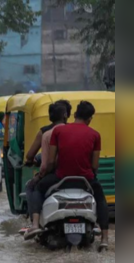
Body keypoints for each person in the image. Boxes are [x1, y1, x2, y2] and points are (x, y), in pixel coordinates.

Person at [24, 101, 111, 250]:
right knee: (101, 199)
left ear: (75, 114)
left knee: (37, 188)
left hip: (60, 178)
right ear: (90, 118)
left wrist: (43, 174)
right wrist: (90, 175)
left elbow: (51, 161)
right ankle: (104, 238)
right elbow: (95, 165)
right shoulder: (95, 135)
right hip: (86, 180)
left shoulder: (58, 132)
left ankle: (35, 225)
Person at [25, 99, 72, 166]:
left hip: (51, 171)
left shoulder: (44, 132)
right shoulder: (73, 129)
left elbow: (30, 156)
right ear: (66, 115)